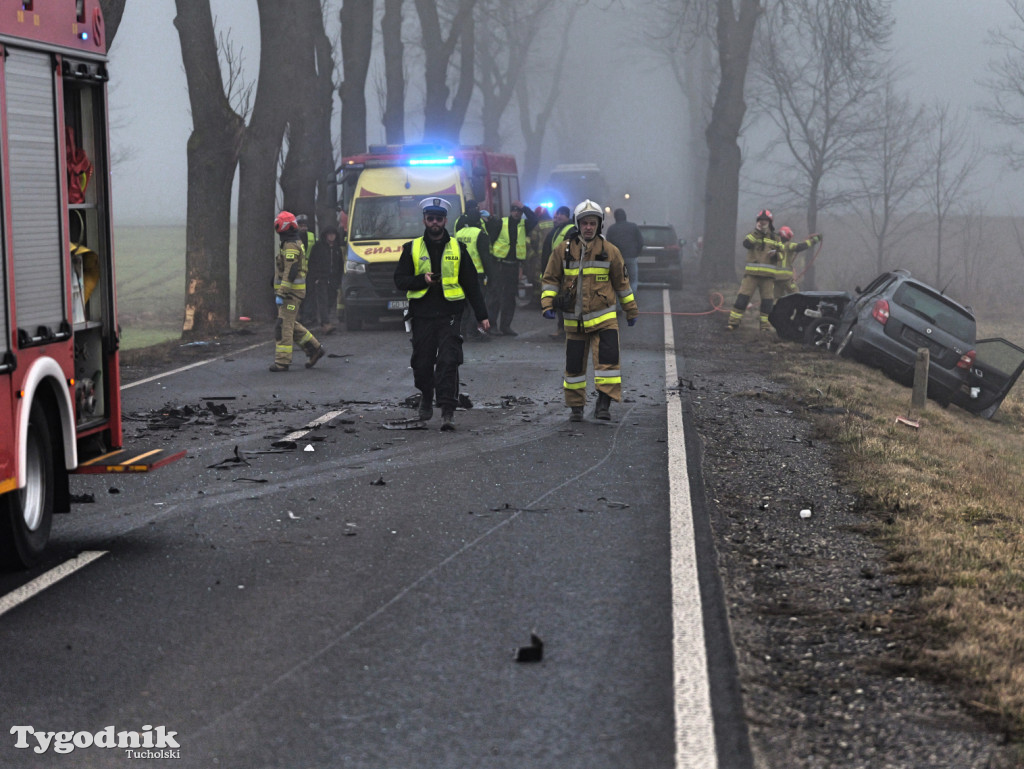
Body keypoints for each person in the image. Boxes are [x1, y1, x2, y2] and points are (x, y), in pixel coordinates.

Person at [393, 197, 490, 431]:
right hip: (423, 314)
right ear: (425, 220)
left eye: (439, 218)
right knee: (422, 363)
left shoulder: (458, 247)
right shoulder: (412, 248)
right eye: (430, 218)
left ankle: (447, 410)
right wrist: (421, 280)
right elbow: (399, 280)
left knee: (448, 361)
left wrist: (482, 315)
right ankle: (427, 396)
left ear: (445, 220)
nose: (435, 222)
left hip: (450, 313)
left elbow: (471, 284)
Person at [540, 199, 638, 422]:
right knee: (574, 367)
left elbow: (623, 284)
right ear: (578, 224)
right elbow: (550, 279)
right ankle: (576, 408)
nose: (588, 227)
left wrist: (631, 311)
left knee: (608, 364)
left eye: (593, 223)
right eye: (584, 223)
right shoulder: (563, 251)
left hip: (604, 320)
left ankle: (604, 405)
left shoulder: (610, 251)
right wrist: (547, 304)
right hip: (574, 321)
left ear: (599, 225)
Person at [270, 211, 326, 372]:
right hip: (292, 293)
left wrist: (281, 293)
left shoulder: (290, 245)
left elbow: (291, 270)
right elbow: (286, 268)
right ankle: (315, 349)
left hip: (290, 294)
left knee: (283, 326)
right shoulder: (290, 242)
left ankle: (282, 362)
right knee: (291, 324)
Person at [726, 209, 785, 332]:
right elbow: (746, 244)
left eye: (765, 221)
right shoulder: (752, 234)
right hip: (751, 275)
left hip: (768, 277)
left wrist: (776, 255)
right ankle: (733, 323)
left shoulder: (776, 237)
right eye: (760, 221)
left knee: (767, 303)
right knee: (742, 299)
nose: (763, 223)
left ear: (770, 222)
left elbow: (782, 255)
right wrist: (757, 232)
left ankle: (764, 327)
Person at [485, 201, 538, 336]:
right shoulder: (501, 223)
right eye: (514, 210)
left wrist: (524, 207)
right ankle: (492, 326)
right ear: (510, 211)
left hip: (513, 266)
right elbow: (491, 240)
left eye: (519, 211)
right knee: (495, 296)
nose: (517, 213)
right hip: (500, 264)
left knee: (509, 297)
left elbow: (534, 218)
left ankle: (505, 326)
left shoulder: (523, 225)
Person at [454, 206, 493, 343]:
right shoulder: (479, 234)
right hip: (477, 273)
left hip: (460, 274)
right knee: (476, 304)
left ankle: (461, 331)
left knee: (463, 305)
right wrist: (491, 275)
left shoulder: (458, 234)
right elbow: (485, 257)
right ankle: (473, 332)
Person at [540, 205, 575, 339]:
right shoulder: (556, 230)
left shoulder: (571, 230)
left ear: (567, 216)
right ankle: (562, 328)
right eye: (557, 214)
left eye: (561, 214)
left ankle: (566, 329)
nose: (558, 217)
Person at [302, 226, 342, 332]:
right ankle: (325, 323)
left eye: (333, 234)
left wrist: (339, 279)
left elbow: (340, 265)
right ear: (325, 235)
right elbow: (312, 263)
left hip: (333, 279)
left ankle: (325, 319)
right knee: (323, 300)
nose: (331, 236)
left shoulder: (337, 249)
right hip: (321, 278)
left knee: (331, 299)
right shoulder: (318, 247)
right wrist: (315, 277)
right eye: (329, 234)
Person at [774, 226, 822, 298]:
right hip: (786, 278)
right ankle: (798, 308)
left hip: (775, 278)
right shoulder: (788, 245)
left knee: (776, 299)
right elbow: (802, 246)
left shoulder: (773, 245)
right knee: (796, 296)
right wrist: (815, 240)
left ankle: (777, 309)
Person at [604, 208, 645, 289]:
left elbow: (607, 245)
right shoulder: (633, 227)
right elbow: (640, 242)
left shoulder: (612, 229)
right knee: (633, 281)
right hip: (631, 257)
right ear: (625, 216)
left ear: (615, 217)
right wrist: (636, 253)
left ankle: (619, 300)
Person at [525, 206, 553, 308]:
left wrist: (531, 255)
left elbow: (532, 241)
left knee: (539, 278)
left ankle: (538, 301)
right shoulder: (555, 223)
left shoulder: (538, 226)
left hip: (541, 257)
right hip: (554, 256)